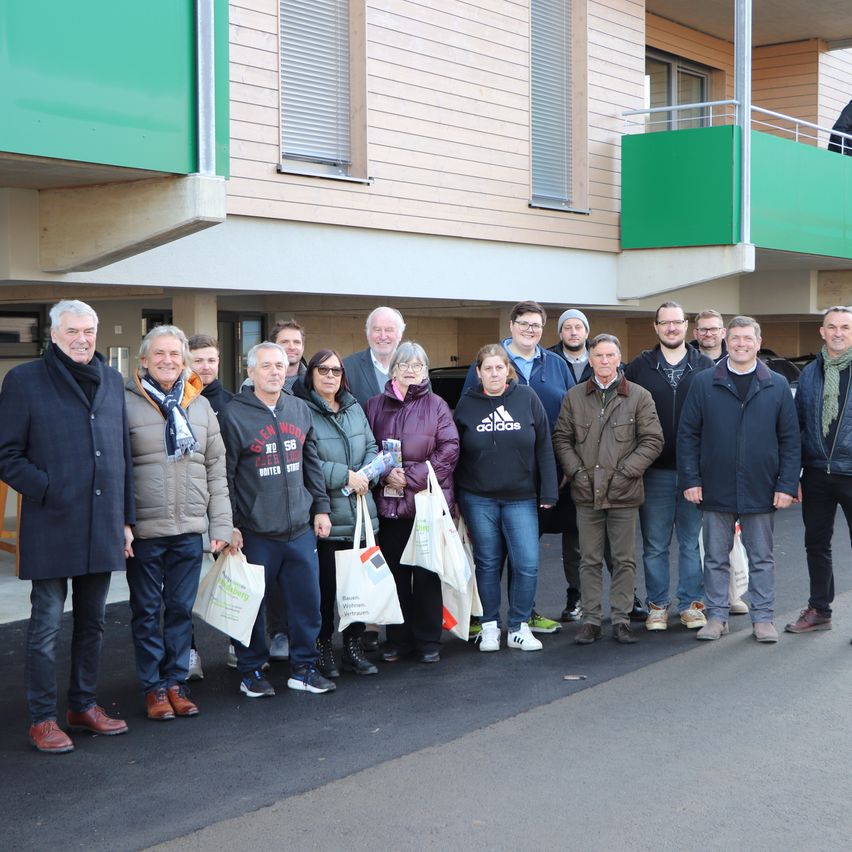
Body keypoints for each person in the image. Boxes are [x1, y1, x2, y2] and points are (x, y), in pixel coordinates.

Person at [0, 299, 134, 753]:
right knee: (45, 627)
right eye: (72, 331)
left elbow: (123, 455)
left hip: (102, 524)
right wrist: (49, 489)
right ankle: (42, 719)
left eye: (89, 331)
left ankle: (83, 705)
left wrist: (125, 518)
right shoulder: (24, 381)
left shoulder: (113, 380)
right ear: (53, 335)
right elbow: (7, 455)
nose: (82, 339)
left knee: (93, 624)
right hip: (53, 522)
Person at [125, 325, 233, 720]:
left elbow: (216, 470)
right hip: (146, 532)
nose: (168, 361)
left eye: (175, 354)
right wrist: (122, 523)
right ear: (144, 361)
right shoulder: (126, 404)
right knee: (147, 612)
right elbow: (117, 471)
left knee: (179, 612)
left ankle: (175, 683)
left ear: (185, 361)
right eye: (160, 354)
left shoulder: (199, 405)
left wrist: (220, 526)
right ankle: (153, 688)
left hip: (189, 530)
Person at [219, 342, 335, 697]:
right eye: (266, 366)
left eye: (280, 366)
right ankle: (251, 670)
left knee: (306, 603)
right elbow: (225, 475)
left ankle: (303, 668)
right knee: (251, 606)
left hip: (299, 528)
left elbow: (311, 463)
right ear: (250, 372)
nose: (274, 372)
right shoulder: (233, 415)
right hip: (255, 531)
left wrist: (321, 507)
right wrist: (232, 524)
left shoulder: (298, 409)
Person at [678, 316, 800, 643]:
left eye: (748, 338)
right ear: (726, 341)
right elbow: (688, 435)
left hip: (761, 487)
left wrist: (786, 485)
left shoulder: (775, 385)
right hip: (715, 485)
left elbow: (790, 440)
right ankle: (716, 617)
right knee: (715, 558)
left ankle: (763, 618)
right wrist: (691, 479)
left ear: (758, 343)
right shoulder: (705, 382)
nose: (741, 343)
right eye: (735, 338)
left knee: (761, 558)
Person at [462, 300, 573, 634]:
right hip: (484, 487)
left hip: (533, 480)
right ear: (511, 326)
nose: (530, 330)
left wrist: (560, 470)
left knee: (526, 557)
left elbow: (568, 416)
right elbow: (466, 426)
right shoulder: (484, 365)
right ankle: (486, 620)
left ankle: (524, 615)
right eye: (524, 323)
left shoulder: (554, 364)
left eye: (536, 325)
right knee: (490, 558)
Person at [553, 334, 663, 645]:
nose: (604, 361)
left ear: (619, 359)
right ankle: (590, 620)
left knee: (624, 559)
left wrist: (627, 472)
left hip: (624, 493)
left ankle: (621, 618)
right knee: (588, 559)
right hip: (586, 493)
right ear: (590, 359)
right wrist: (576, 471)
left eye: (610, 355)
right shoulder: (574, 397)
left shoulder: (638, 396)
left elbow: (653, 440)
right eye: (599, 355)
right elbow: (562, 438)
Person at [454, 344, 558, 652]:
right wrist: (457, 497)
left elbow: (544, 446)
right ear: (479, 372)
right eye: (488, 368)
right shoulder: (466, 404)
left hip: (521, 497)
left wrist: (549, 490)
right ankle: (489, 626)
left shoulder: (527, 398)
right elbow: (456, 454)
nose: (494, 373)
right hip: (478, 498)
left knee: (527, 563)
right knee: (487, 563)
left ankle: (518, 626)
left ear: (508, 370)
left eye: (500, 367)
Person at [365, 341, 459, 664]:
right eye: (403, 365)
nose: (410, 371)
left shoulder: (437, 406)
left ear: (425, 371)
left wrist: (412, 476)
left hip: (425, 505)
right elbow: (367, 449)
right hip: (390, 506)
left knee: (427, 574)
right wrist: (386, 473)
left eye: (417, 365)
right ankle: (397, 640)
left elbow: (449, 450)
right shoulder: (375, 405)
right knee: (394, 575)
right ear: (392, 370)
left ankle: (429, 639)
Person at [625, 301, 713, 631]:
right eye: (665, 323)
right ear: (656, 327)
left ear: (686, 325)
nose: (671, 328)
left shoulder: (704, 365)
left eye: (677, 322)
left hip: (694, 472)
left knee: (691, 543)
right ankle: (658, 606)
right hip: (653, 472)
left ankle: (691, 605)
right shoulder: (639, 367)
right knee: (655, 545)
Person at [293, 349, 381, 676]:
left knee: (356, 588)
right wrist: (345, 475)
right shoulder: (301, 409)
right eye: (323, 370)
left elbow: (371, 445)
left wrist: (364, 474)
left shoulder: (354, 407)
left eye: (336, 371)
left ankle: (354, 647)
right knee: (326, 590)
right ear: (311, 374)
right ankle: (323, 647)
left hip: (360, 511)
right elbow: (307, 457)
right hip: (327, 513)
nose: (330, 376)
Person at [785, 306, 852, 635]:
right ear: (822, 332)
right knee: (816, 545)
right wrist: (793, 476)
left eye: (845, 327)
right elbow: (796, 429)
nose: (838, 332)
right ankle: (820, 610)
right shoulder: (811, 373)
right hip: (815, 474)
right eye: (832, 327)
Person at [186, 333, 234, 681]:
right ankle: (189, 654)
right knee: (182, 588)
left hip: (223, 503)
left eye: (211, 360)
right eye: (198, 360)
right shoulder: (176, 401)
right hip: (185, 505)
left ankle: (238, 644)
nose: (205, 366)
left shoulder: (232, 404)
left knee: (233, 580)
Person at [344, 306, 405, 408]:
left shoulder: (416, 369)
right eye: (377, 329)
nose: (383, 336)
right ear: (368, 334)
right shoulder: (348, 368)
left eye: (389, 330)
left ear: (399, 335)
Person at [271, 318, 308, 392]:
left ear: (303, 348)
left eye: (296, 342)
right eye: (285, 342)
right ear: (273, 346)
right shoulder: (254, 383)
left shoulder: (315, 381)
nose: (292, 347)